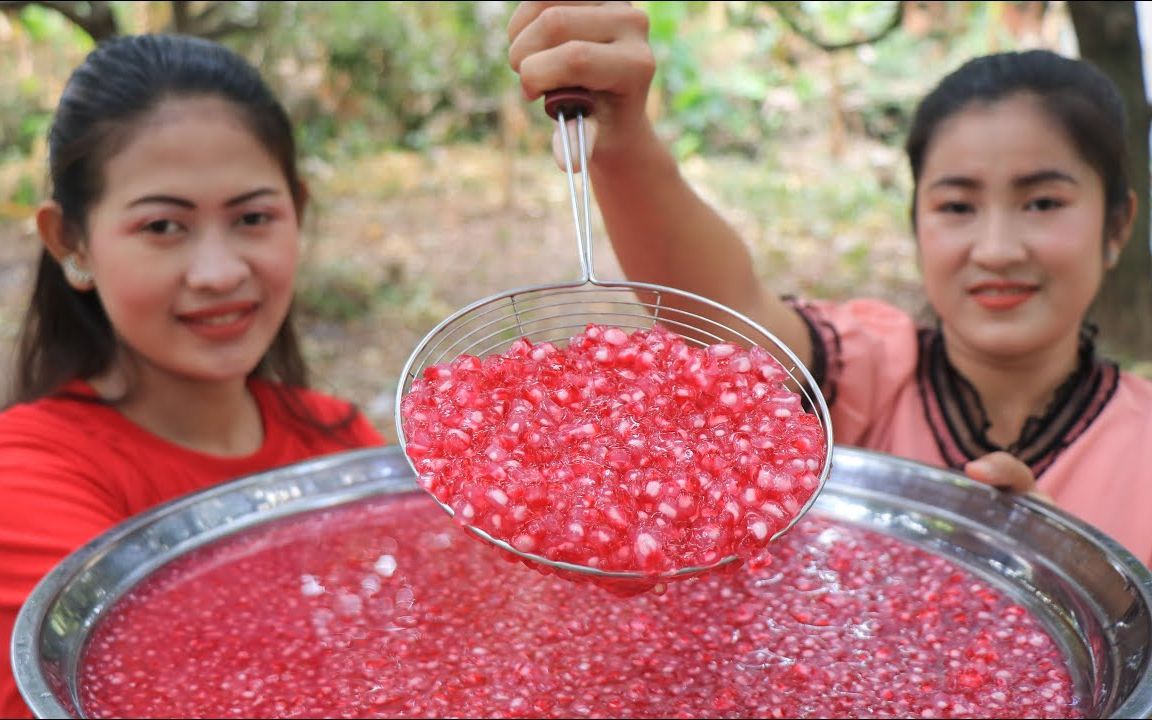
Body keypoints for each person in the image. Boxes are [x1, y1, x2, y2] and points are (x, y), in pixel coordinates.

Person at [507, 2, 1152, 567]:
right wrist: (623, 141)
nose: (997, 249)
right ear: (916, 224)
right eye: (957, 207)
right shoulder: (867, 376)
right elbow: (734, 320)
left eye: (1042, 204)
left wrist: (1071, 576)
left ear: (1117, 225)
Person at [0, 34, 386, 717]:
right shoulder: (25, 472)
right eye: (163, 226)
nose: (220, 272)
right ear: (71, 241)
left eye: (253, 217)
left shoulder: (340, 443)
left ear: (298, 210)